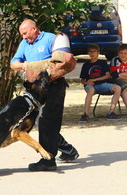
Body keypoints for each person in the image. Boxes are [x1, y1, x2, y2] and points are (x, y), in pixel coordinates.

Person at [10, 19, 79, 171]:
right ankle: (68, 151)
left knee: (46, 121)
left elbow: (61, 61)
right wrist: (26, 66)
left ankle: (48, 160)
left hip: (53, 87)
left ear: (34, 29)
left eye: (25, 33)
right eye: (21, 35)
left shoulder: (50, 39)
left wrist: (37, 67)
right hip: (35, 89)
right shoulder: (25, 44)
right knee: (43, 123)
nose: (23, 37)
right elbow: (13, 63)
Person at [79, 44, 121, 122]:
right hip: (90, 86)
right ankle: (85, 114)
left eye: (94, 51)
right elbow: (82, 80)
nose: (92, 53)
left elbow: (107, 76)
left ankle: (111, 112)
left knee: (117, 88)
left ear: (98, 52)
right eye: (90, 52)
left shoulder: (102, 63)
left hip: (101, 84)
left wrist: (96, 80)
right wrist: (87, 82)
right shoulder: (86, 65)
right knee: (90, 90)